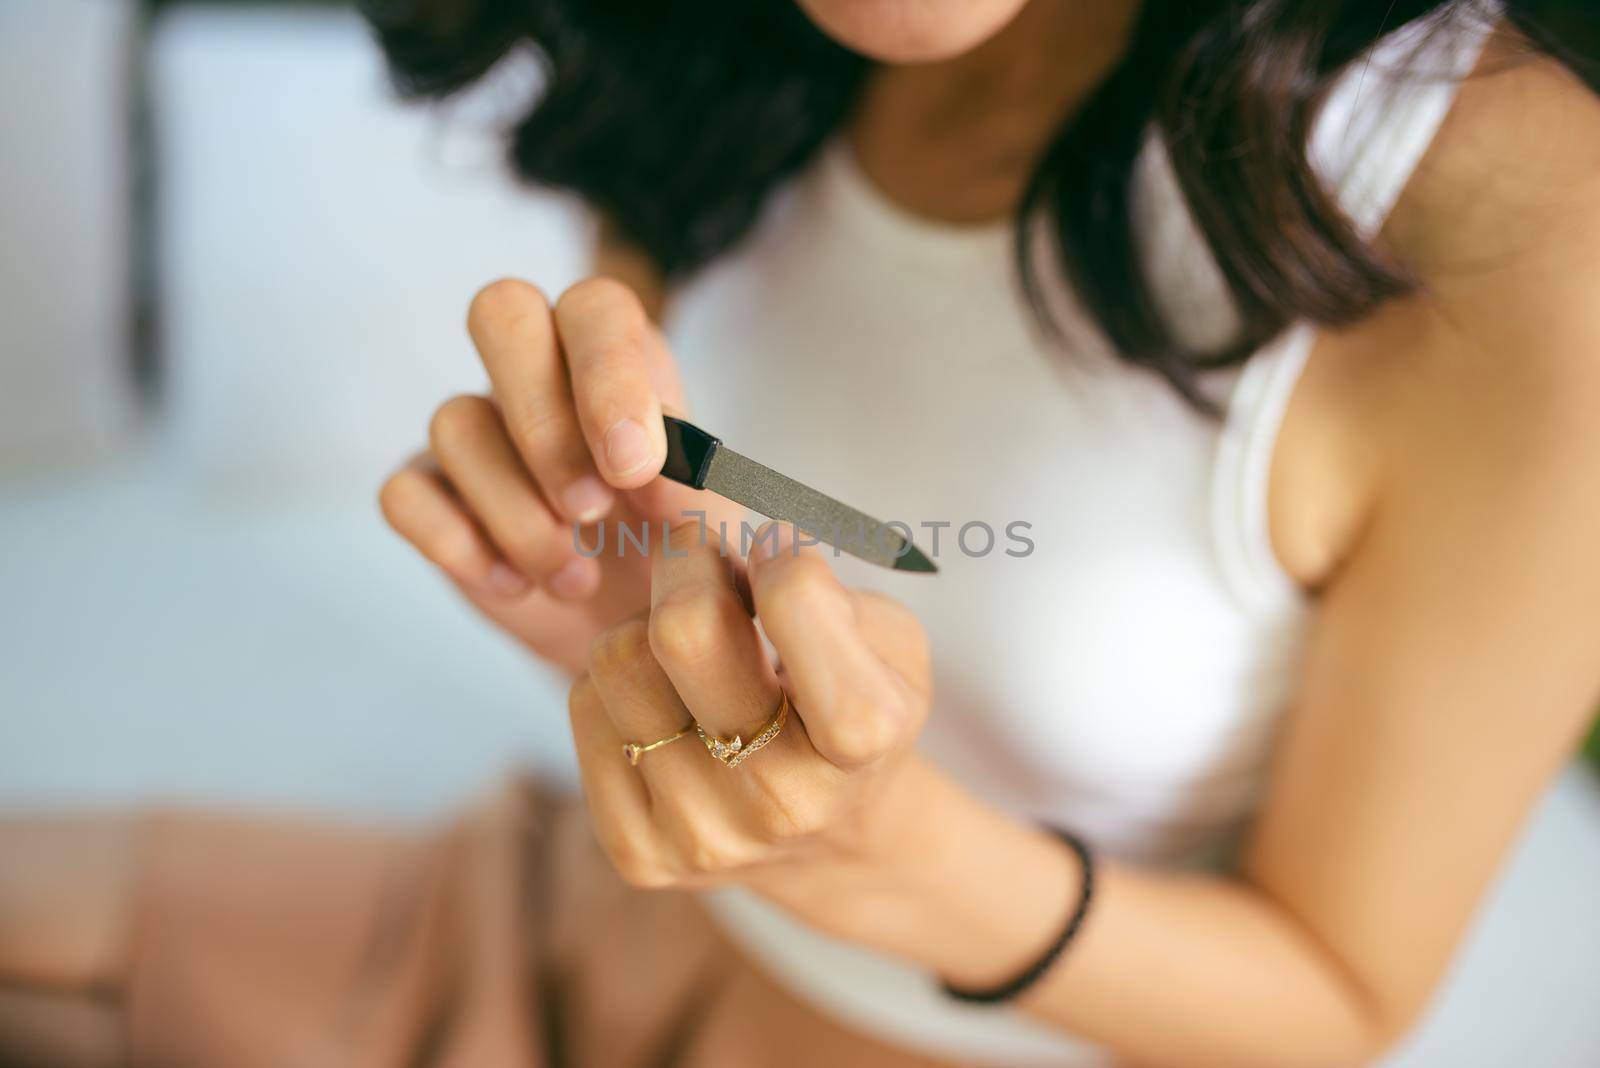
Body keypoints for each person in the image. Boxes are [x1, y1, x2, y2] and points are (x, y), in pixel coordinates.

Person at [5, 0, 1600, 1064]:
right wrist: (602, 577)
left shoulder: (1519, 218)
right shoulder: (719, 45)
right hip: (573, 930)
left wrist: (889, 859)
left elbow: (1341, 999)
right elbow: (692, 519)